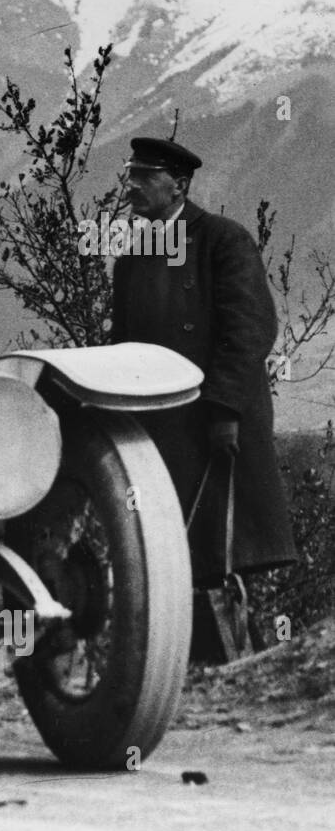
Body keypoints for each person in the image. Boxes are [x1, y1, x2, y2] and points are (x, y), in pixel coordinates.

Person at [111, 137, 296, 592]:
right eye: (130, 174)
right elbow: (122, 348)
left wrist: (223, 411)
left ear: (178, 185)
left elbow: (250, 330)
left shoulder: (223, 240)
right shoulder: (132, 261)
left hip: (214, 422)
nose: (131, 185)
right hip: (158, 426)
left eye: (144, 176)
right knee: (172, 563)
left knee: (222, 559)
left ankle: (239, 657)